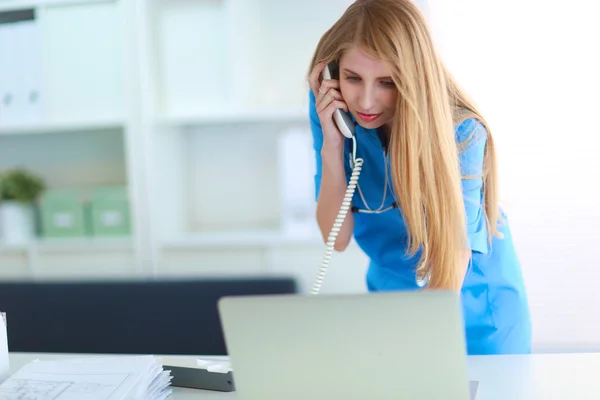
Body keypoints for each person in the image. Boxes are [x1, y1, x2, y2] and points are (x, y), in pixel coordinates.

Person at [306, 0, 531, 355]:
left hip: (472, 313)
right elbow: (336, 237)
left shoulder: (462, 133)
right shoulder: (334, 111)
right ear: (333, 74)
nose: (366, 100)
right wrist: (331, 146)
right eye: (352, 78)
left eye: (387, 82)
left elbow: (447, 278)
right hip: (392, 304)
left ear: (414, 78)